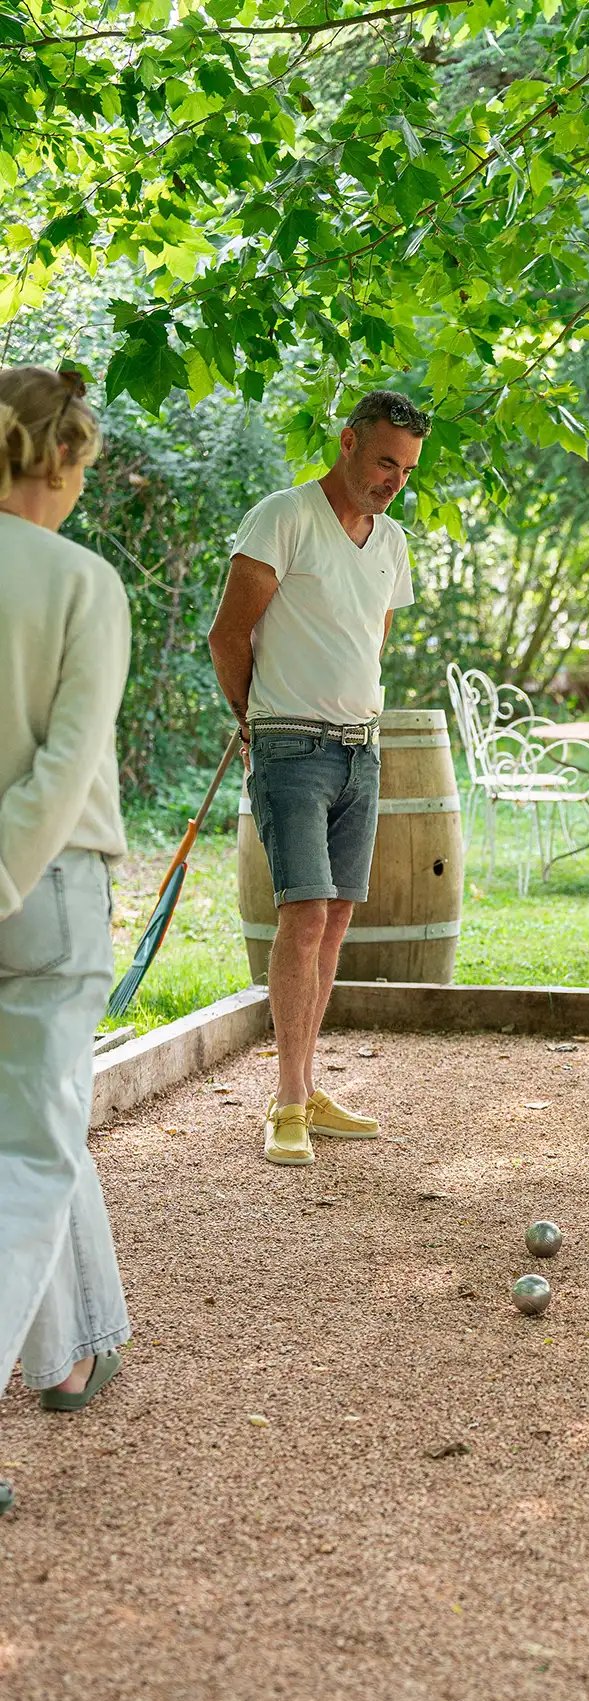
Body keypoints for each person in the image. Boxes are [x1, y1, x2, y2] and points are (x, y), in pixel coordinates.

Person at [208, 390, 425, 1166]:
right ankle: (287, 1106)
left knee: (332, 922)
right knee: (303, 916)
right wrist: (253, 720)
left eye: (404, 469)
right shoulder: (284, 516)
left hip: (361, 750)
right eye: (383, 461)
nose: (392, 478)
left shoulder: (393, 540)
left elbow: (370, 643)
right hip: (290, 747)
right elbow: (228, 634)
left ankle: (303, 1085)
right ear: (346, 442)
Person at [0, 365, 133, 1516]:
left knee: (33, 1129)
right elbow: (68, 763)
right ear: (59, 460)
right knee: (31, 1155)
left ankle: (70, 1352)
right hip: (43, 890)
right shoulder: (82, 581)